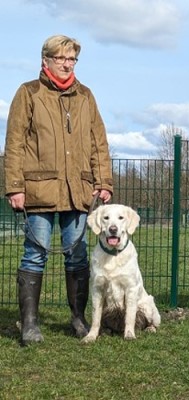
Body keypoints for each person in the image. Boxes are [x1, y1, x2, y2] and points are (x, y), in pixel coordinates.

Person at [4, 35, 113, 345]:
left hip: (78, 190)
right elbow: (14, 143)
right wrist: (14, 186)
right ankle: (30, 324)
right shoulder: (28, 93)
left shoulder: (85, 96)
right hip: (38, 190)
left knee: (77, 256)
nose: (68, 64)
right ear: (46, 60)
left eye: (72, 59)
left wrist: (103, 181)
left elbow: (98, 143)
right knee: (34, 256)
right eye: (62, 58)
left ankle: (79, 319)